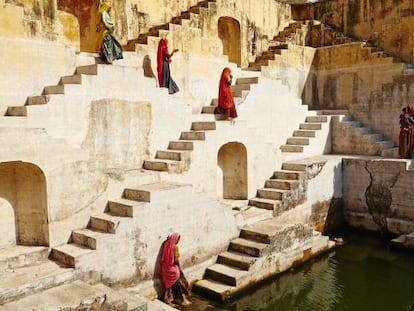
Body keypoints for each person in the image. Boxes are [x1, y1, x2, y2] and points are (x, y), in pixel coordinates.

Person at [160, 232, 191, 307]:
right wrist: (179, 268)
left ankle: (168, 299)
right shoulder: (175, 247)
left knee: (169, 285)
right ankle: (180, 300)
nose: (178, 241)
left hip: (165, 268)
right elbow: (176, 260)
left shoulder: (166, 244)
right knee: (179, 281)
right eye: (178, 239)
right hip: (172, 269)